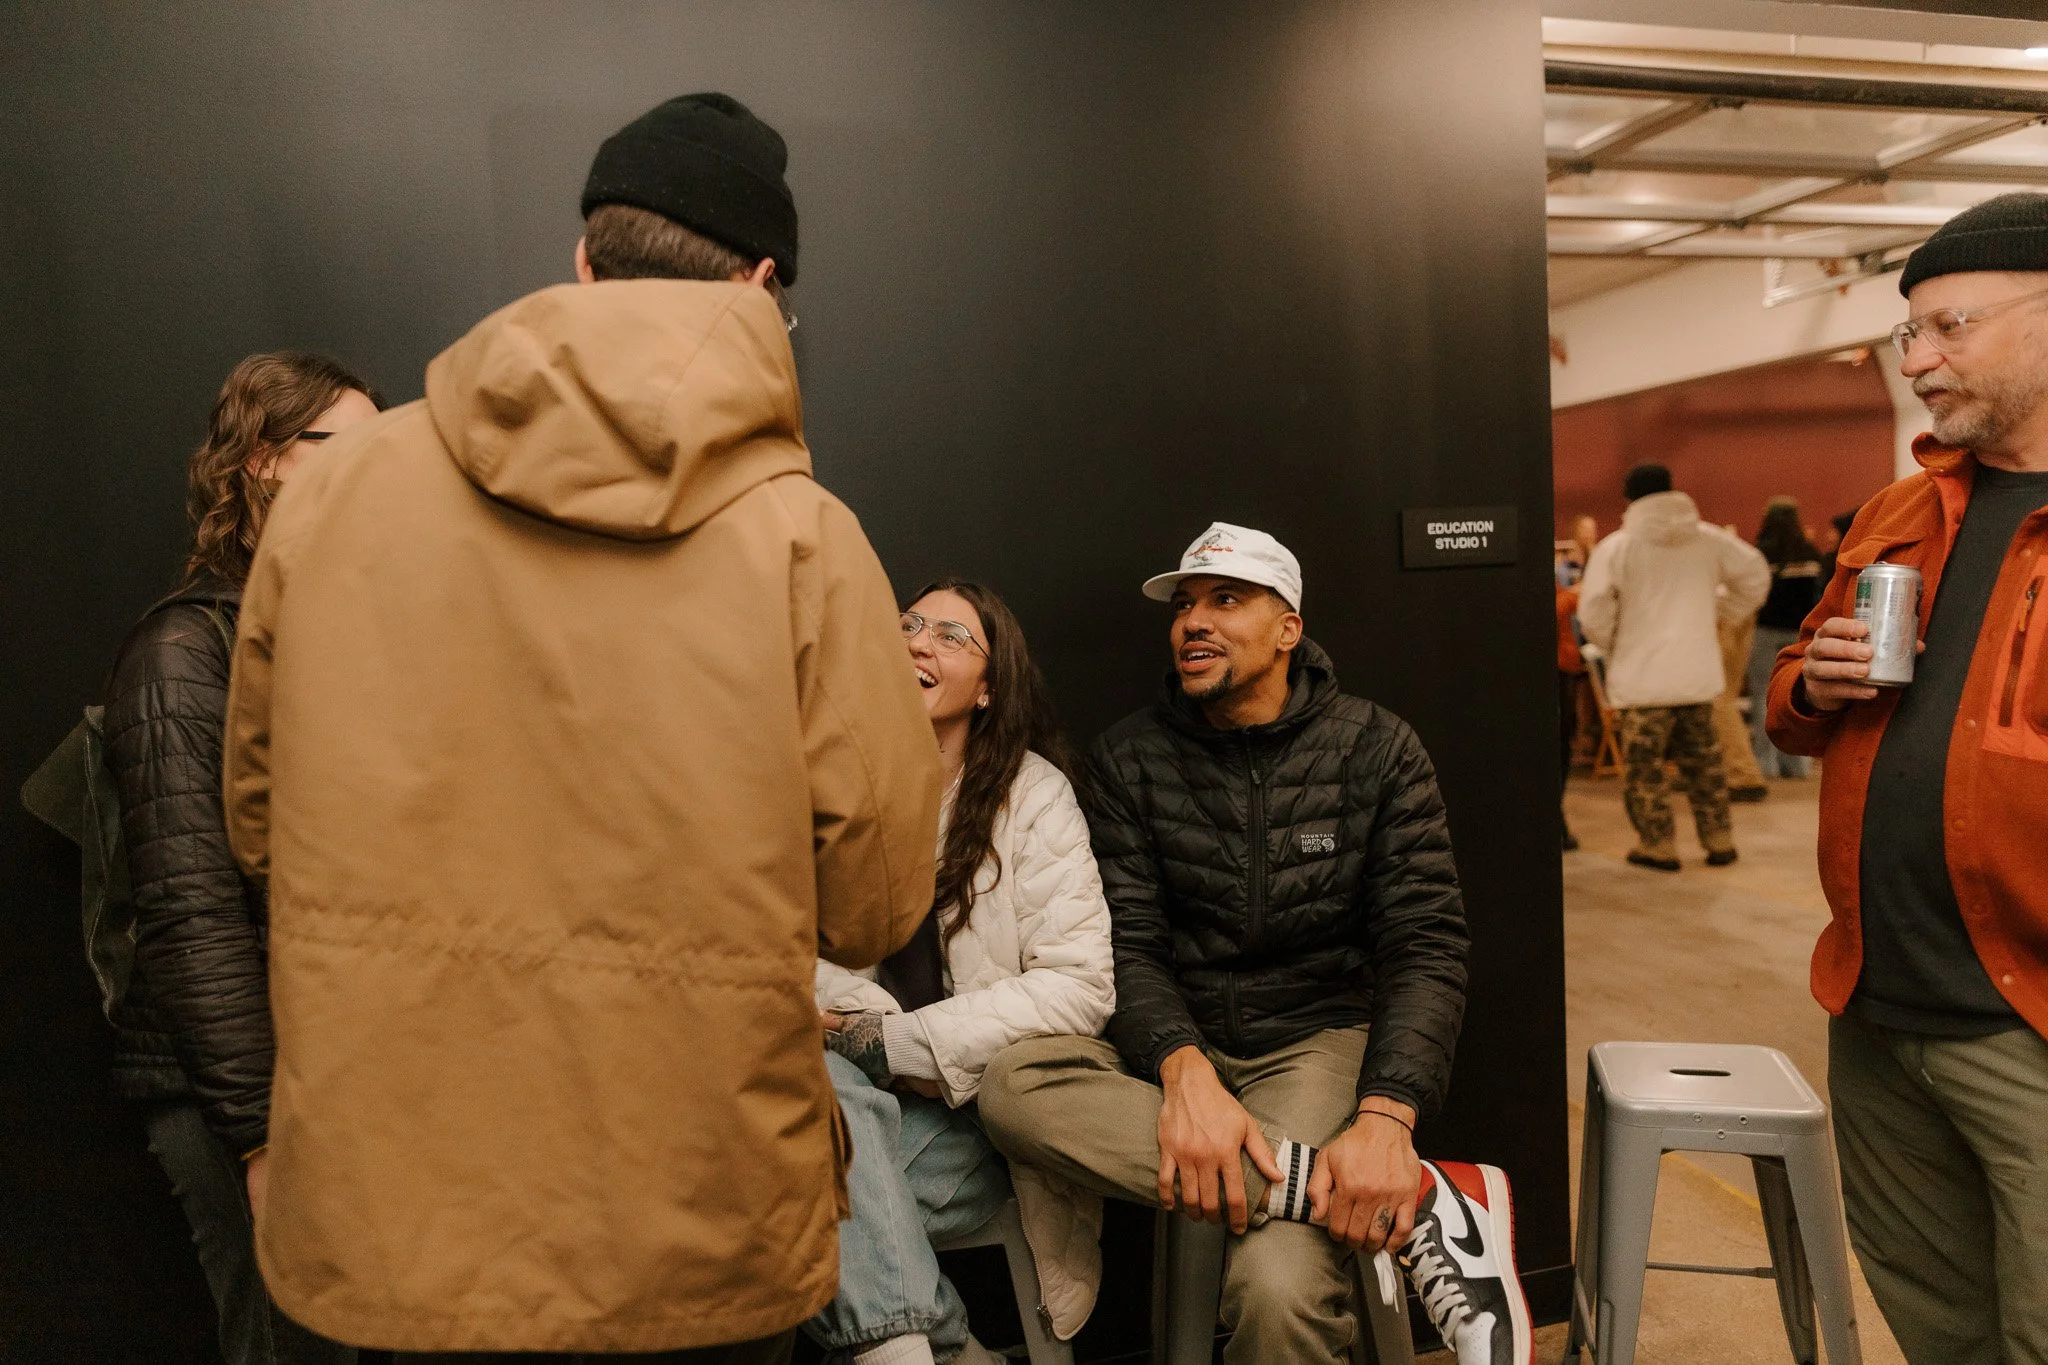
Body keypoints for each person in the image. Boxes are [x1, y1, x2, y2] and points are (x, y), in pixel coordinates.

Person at [219, 94, 945, 1360]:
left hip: (410, 1202)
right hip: (693, 1209)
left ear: (583, 259)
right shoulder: (804, 540)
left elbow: (260, 824)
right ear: (765, 283)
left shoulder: (335, 495)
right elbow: (875, 904)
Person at [979, 523, 1531, 1365]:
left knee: (1278, 1291)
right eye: (1185, 604)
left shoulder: (1378, 750)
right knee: (1013, 1084)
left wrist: (1386, 1115)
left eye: (1225, 599)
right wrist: (1182, 1065)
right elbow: (1128, 939)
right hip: (1168, 1052)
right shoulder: (1130, 758)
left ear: (1288, 628)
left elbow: (1425, 944)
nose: (1192, 621)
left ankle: (1359, 1178)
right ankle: (1412, 1201)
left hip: (1314, 1040)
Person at [1768, 192, 2048, 1365]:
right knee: (1938, 1326)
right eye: (1905, 338)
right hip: (1878, 1008)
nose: (1916, 363)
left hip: (2026, 1021)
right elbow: (1791, 699)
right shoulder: (1897, 509)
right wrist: (1813, 684)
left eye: (1947, 327)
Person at [103, 352, 379, 1365]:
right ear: (264, 461)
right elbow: (189, 910)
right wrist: (259, 1135)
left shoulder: (347, 638)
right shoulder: (186, 650)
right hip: (243, 1090)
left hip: (340, 1084)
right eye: (349, 449)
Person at [808, 579, 1115, 1365]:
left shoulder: (1036, 798)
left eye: (951, 635)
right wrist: (868, 1044)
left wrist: (900, 1044)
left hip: (988, 1120)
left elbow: (1080, 985)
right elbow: (798, 953)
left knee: (788, 1205)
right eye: (908, 624)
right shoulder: (839, 788)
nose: (918, 641)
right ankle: (941, 1349)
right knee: (817, 1108)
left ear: (988, 688)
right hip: (862, 1104)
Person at [1577, 465, 1769, 871]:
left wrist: (1616, 643)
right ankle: (1720, 841)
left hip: (1640, 680)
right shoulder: (1709, 540)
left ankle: (1658, 846)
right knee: (1705, 765)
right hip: (1697, 677)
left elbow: (1593, 612)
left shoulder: (1617, 547)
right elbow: (1754, 576)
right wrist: (1721, 613)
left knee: (1645, 771)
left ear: (1629, 500)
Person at [1748, 497, 1821, 780]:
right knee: (1795, 696)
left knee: (1762, 698)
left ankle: (1765, 763)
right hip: (1799, 634)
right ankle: (1797, 765)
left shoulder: (1761, 554)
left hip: (1765, 632)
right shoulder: (1809, 553)